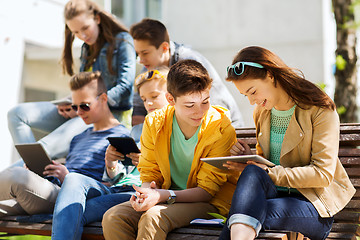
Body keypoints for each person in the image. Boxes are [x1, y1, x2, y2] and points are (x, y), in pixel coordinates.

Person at [219, 46, 356, 240]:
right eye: (246, 95)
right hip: (274, 196)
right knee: (249, 193)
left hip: (312, 206)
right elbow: (267, 165)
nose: (252, 101)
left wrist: (269, 172)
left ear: (270, 75)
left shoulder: (319, 109)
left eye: (253, 91)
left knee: (242, 215)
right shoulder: (262, 112)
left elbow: (322, 174)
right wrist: (250, 158)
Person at [102, 59, 240, 240]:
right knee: (113, 217)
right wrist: (146, 194)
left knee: (153, 218)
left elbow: (207, 191)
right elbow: (150, 172)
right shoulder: (154, 122)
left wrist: (160, 195)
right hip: (165, 196)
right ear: (170, 99)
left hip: (210, 203)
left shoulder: (220, 127)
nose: (200, 111)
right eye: (190, 105)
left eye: (205, 102)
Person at [7, 0, 136, 160]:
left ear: (97, 18)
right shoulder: (86, 49)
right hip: (81, 109)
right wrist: (70, 102)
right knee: (17, 114)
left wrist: (89, 105)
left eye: (85, 28)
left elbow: (125, 86)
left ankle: (27, 173)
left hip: (108, 115)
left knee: (45, 147)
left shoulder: (122, 41)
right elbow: (83, 87)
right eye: (75, 32)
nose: (82, 36)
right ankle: (31, 170)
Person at [51, 67, 170, 240]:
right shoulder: (138, 130)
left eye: (154, 97)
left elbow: (170, 177)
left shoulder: (175, 131)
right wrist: (111, 164)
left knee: (74, 209)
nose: (148, 104)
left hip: (137, 192)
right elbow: (116, 176)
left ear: (171, 96)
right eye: (144, 99)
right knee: (73, 179)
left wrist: (145, 163)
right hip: (116, 188)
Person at [0, 71, 130, 219]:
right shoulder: (78, 137)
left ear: (103, 99)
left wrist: (68, 177)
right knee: (21, 176)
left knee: (18, 175)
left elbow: (114, 186)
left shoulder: (121, 137)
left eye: (85, 106)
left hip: (73, 199)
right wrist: (43, 171)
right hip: (50, 192)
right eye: (75, 107)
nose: (79, 112)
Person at [129, 18, 244, 128]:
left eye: (145, 53)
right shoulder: (149, 69)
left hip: (224, 128)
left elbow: (208, 106)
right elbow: (138, 108)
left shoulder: (189, 62)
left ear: (164, 48)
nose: (140, 60)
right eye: (137, 54)